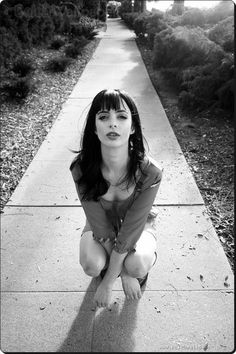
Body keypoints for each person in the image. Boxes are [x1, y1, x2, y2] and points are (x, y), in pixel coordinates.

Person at [70, 89, 163, 308]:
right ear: (94, 127)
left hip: (138, 228)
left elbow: (131, 228)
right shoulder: (81, 168)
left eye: (121, 117)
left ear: (132, 127)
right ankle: (112, 268)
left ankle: (132, 271)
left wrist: (112, 280)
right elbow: (100, 225)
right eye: (103, 117)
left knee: (137, 265)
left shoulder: (150, 172)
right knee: (92, 265)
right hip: (99, 229)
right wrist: (119, 273)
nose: (113, 124)